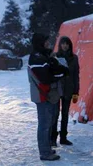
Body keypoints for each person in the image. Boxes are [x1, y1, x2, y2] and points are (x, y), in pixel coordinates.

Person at [28, 33, 69, 161]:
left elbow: (52, 69)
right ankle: (45, 153)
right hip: (42, 95)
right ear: (40, 42)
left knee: (48, 123)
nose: (48, 43)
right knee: (44, 124)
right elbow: (46, 78)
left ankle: (46, 148)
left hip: (47, 95)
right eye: (46, 41)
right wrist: (61, 73)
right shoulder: (36, 58)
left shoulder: (43, 56)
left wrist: (57, 68)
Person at [51, 36, 79, 147]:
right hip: (57, 89)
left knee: (65, 114)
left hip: (68, 89)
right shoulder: (55, 57)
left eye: (67, 43)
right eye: (63, 43)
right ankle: (53, 138)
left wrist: (76, 91)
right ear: (60, 45)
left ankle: (63, 137)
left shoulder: (74, 58)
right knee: (55, 114)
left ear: (70, 45)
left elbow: (76, 75)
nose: (65, 45)